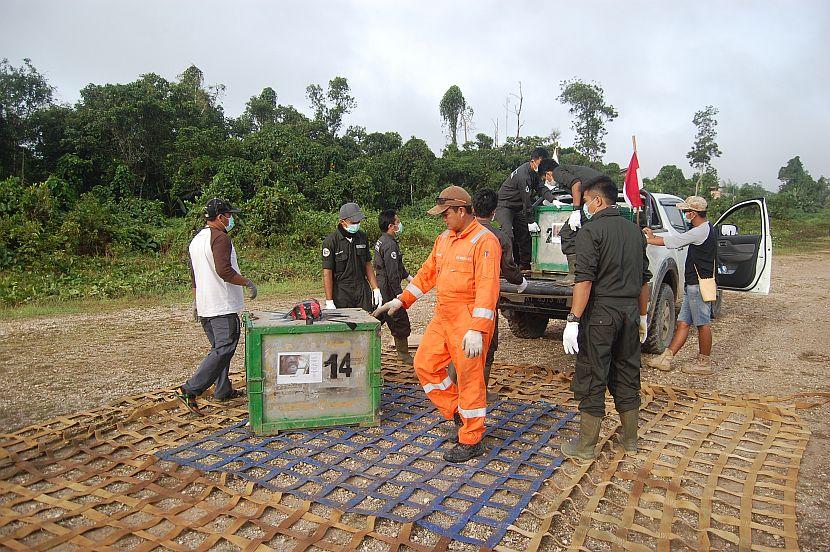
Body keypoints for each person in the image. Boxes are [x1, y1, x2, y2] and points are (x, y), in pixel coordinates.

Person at [373, 185, 502, 463]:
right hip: (443, 316)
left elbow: (488, 288)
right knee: (424, 364)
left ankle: (472, 439)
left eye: (446, 214)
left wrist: (478, 329)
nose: (443, 219)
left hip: (468, 320)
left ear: (461, 210)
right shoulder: (444, 239)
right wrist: (402, 300)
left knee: (469, 379)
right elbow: (427, 273)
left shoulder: (484, 241)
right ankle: (458, 412)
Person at [560, 176, 651, 461]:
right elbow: (644, 280)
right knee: (627, 371)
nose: (585, 206)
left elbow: (584, 280)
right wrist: (644, 316)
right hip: (629, 312)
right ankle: (631, 440)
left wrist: (573, 319)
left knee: (592, 374)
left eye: (586, 201)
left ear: (597, 200)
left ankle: (586, 446)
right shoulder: (635, 232)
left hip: (601, 314)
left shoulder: (591, 231)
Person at [176, 198, 258, 414]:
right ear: (220, 217)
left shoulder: (196, 240)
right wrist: (246, 281)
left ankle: (222, 389)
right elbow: (224, 270)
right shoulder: (221, 238)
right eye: (229, 215)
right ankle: (191, 389)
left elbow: (194, 275)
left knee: (219, 350)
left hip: (206, 304)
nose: (231, 219)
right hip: (221, 304)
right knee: (225, 348)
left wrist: (196, 301)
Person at [447, 189, 527, 402]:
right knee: (486, 347)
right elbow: (509, 269)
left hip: (458, 301)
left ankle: (452, 390)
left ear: (472, 210)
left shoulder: (458, 233)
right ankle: (477, 392)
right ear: (494, 212)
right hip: (484, 303)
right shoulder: (497, 236)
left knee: (457, 345)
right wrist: (521, 282)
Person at [643, 196, 716, 375]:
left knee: (702, 324)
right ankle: (666, 358)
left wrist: (648, 240)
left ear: (693, 213)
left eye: (685, 212)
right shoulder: (706, 228)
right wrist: (654, 236)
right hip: (694, 285)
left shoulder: (699, 231)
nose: (684, 215)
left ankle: (704, 362)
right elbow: (679, 237)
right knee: (683, 323)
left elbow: (675, 241)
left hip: (697, 286)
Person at [495, 147, 556, 271]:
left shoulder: (535, 173)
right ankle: (505, 266)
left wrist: (553, 200)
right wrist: (530, 220)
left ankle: (525, 265)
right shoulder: (524, 175)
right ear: (535, 160)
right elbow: (526, 200)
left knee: (524, 235)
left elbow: (541, 188)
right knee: (507, 234)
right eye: (542, 163)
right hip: (505, 205)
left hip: (518, 207)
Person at [322, 202, 383, 313]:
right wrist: (329, 300)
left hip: (361, 289)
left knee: (367, 322)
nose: (357, 224)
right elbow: (327, 273)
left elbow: (367, 264)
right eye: (353, 222)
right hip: (342, 292)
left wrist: (375, 288)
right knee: (346, 326)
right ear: (342, 222)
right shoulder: (331, 241)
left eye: (358, 221)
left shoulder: (362, 237)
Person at [552, 164, 606, 284]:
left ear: (548, 173)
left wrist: (576, 210)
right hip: (602, 199)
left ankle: (574, 274)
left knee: (567, 233)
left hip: (595, 202)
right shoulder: (579, 170)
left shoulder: (557, 171)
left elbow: (576, 184)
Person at [374, 209, 415, 365]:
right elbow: (392, 273)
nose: (399, 224)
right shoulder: (390, 245)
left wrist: (408, 277)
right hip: (389, 288)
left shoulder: (381, 240)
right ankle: (404, 355)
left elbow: (398, 265)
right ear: (391, 226)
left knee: (380, 316)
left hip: (382, 285)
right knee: (400, 320)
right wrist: (399, 295)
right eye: (397, 222)